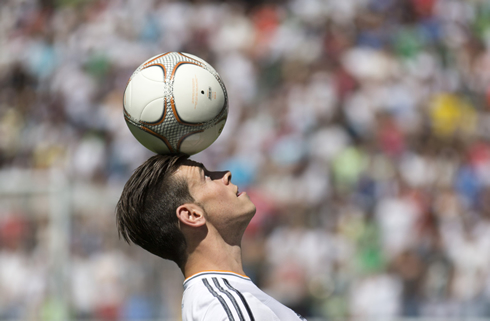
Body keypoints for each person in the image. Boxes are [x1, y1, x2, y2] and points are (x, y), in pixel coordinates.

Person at [116, 154, 307, 321]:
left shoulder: (219, 300)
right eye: (206, 177)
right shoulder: (227, 307)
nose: (226, 174)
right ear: (192, 215)